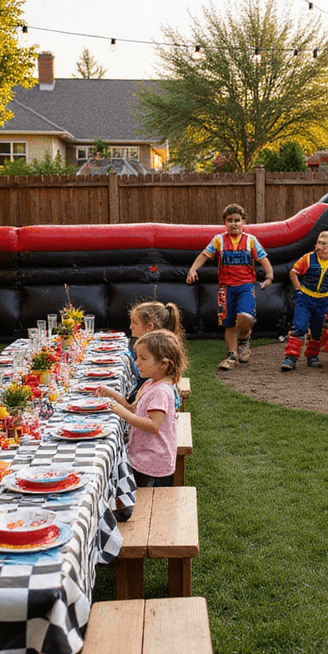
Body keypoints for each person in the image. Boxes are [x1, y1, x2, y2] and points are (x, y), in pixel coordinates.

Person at [186, 203, 273, 371]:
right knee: (229, 323)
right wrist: (192, 270)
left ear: (243, 222)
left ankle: (243, 341)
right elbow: (204, 255)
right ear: (224, 223)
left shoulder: (251, 240)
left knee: (245, 316)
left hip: (246, 286)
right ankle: (232, 354)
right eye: (230, 220)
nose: (234, 224)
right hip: (225, 288)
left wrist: (270, 276)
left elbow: (263, 259)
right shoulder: (218, 240)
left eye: (237, 220)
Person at [97, 329, 186, 487]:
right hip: (143, 457)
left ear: (163, 364)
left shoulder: (161, 392)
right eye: (137, 357)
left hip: (153, 466)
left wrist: (121, 412)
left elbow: (153, 425)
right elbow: (133, 408)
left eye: (143, 358)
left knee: (127, 490)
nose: (137, 362)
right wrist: (111, 394)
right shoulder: (151, 383)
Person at [281, 231, 328, 372]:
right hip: (305, 299)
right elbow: (293, 272)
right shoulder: (307, 259)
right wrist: (299, 289)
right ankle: (290, 358)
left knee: (318, 329)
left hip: (322, 301)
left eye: (326, 244)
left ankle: (312, 356)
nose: (321, 247)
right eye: (319, 243)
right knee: (300, 327)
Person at [126, 300, 185, 407]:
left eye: (134, 322)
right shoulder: (157, 346)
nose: (131, 327)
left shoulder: (153, 352)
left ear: (149, 327)